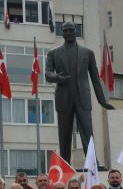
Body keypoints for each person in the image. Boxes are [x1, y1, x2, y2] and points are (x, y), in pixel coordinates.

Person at [44, 20, 114, 164]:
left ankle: (92, 162)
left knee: (87, 131)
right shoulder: (53, 53)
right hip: (64, 97)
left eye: (71, 30)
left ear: (76, 32)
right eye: (65, 31)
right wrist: (58, 77)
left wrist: (102, 101)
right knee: (64, 134)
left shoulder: (87, 53)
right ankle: (64, 164)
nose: (68, 33)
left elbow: (95, 78)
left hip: (82, 96)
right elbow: (47, 74)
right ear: (62, 33)